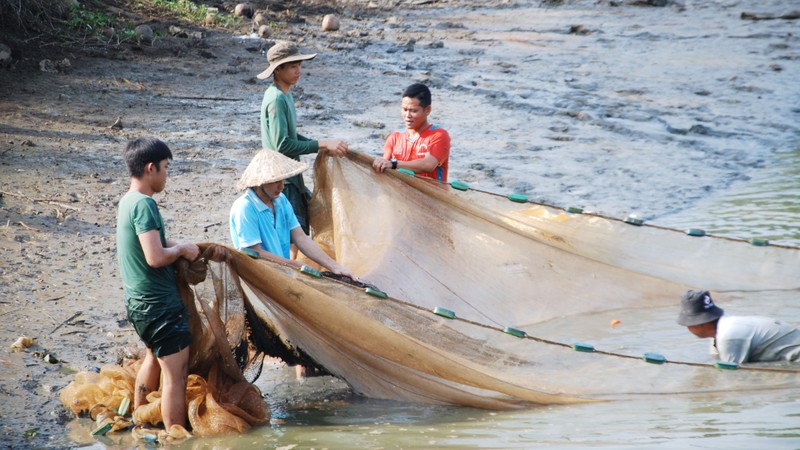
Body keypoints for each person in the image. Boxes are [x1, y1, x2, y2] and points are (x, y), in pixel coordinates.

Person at [116, 137, 226, 432]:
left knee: (153, 356)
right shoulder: (145, 205)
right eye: (165, 168)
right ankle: (174, 436)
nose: (167, 174)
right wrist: (178, 252)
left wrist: (183, 246)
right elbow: (154, 256)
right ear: (151, 168)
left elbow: (152, 242)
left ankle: (140, 420)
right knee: (175, 376)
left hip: (139, 304)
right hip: (160, 306)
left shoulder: (128, 201)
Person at [257, 40, 349, 245]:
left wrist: (324, 144)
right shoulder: (276, 100)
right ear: (278, 70)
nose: (298, 71)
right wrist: (321, 144)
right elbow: (283, 145)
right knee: (291, 239)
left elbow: (292, 136)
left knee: (295, 234)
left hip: (290, 176)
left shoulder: (285, 95)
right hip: (282, 180)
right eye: (292, 66)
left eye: (299, 65)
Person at [677, 290, 800, 364]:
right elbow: (717, 360)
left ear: (700, 324)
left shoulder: (728, 335)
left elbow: (732, 375)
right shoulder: (722, 327)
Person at [372, 83, 451, 182]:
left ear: (427, 110)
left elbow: (428, 165)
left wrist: (394, 164)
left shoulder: (439, 136)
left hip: (429, 196)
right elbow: (383, 167)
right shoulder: (394, 138)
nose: (407, 115)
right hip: (399, 195)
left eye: (413, 111)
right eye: (404, 110)